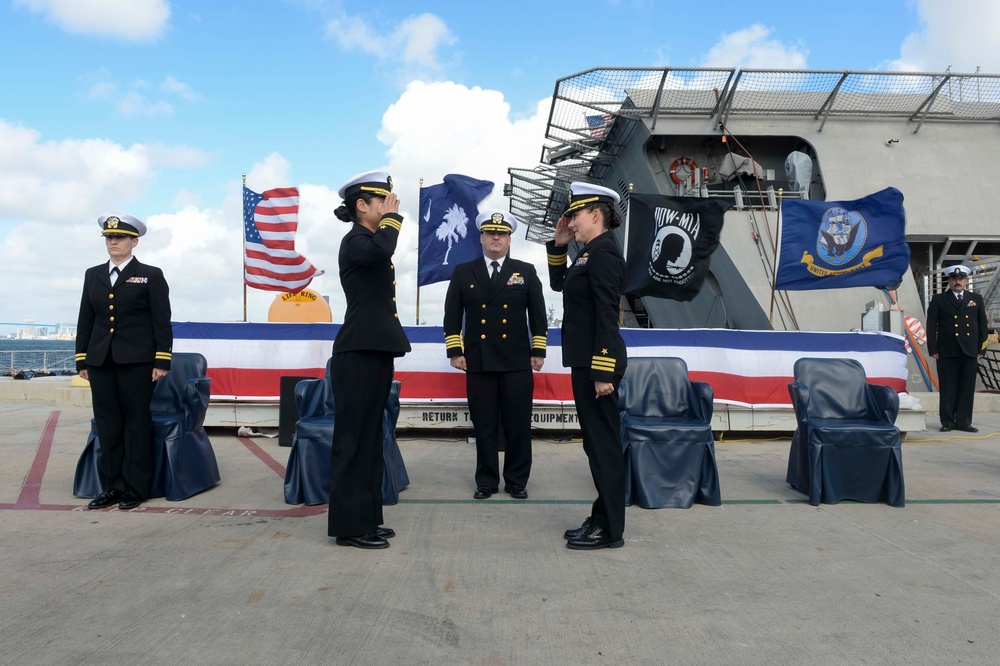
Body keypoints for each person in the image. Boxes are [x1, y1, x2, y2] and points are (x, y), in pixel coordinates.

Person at [329, 170, 411, 549]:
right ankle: (349, 526)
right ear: (362, 206)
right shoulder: (356, 241)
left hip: (373, 349)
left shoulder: (368, 239)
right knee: (354, 441)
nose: (389, 207)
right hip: (357, 352)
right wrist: (392, 221)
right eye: (383, 202)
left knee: (371, 439)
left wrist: (389, 220)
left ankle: (368, 517)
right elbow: (383, 250)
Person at [443, 210, 547, 500]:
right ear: (481, 238)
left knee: (517, 424)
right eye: (490, 233)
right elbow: (452, 315)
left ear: (510, 239)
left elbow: (538, 315)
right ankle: (486, 480)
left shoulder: (525, 271)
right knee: (484, 424)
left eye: (501, 234)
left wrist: (538, 350)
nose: (496, 237)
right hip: (479, 361)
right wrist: (455, 350)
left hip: (516, 361)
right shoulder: (464, 271)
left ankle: (516, 480)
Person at [546, 183, 628, 550]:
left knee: (603, 447)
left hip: (597, 366)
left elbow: (608, 316)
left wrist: (603, 371)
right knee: (596, 446)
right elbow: (561, 284)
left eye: (576, 215)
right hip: (585, 362)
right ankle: (601, 515)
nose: (571, 222)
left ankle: (610, 529)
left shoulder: (605, 253)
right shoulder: (588, 253)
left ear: (596, 214)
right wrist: (560, 246)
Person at [76, 212, 172, 510]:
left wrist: (162, 361)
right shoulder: (93, 274)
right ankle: (113, 487)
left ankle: (135, 487)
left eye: (118, 237)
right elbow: (86, 318)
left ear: (135, 241)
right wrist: (82, 359)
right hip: (101, 361)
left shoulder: (151, 275)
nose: (113, 242)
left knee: (136, 424)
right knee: (108, 425)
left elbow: (161, 320)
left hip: (138, 362)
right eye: (109, 238)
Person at [926, 264, 989, 433]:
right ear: (949, 280)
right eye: (954, 279)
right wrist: (933, 348)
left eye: (961, 279)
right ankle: (947, 421)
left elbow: (983, 325)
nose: (957, 282)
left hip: (969, 350)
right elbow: (931, 326)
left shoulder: (975, 298)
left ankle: (963, 421)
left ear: (966, 281)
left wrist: (982, 349)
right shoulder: (939, 299)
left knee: (966, 388)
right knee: (948, 387)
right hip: (947, 350)